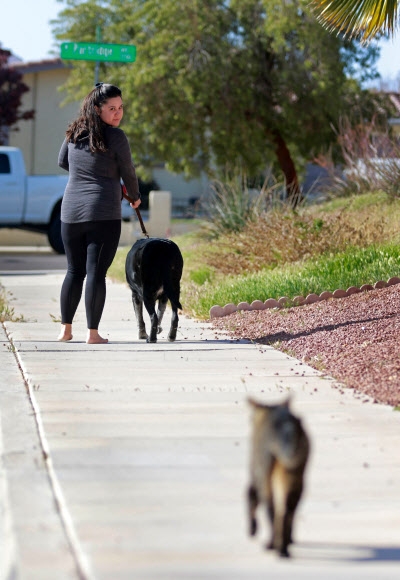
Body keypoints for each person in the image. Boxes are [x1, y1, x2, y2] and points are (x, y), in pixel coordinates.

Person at [57, 82, 141, 344]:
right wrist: (135, 197)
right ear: (97, 108)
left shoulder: (74, 133)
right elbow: (128, 171)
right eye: (112, 108)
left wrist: (86, 173)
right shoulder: (116, 137)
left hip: (70, 212)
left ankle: (65, 331)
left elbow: (62, 162)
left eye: (120, 108)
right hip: (103, 212)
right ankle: (92, 334)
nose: (118, 113)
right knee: (95, 273)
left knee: (74, 271)